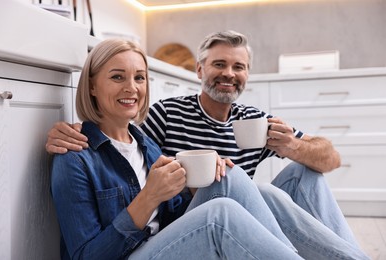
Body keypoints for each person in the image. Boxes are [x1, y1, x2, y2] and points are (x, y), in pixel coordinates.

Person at [48, 33, 369, 259]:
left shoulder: (145, 145)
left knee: (252, 180)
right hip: (145, 246)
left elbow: (330, 157)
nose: (132, 88)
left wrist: (292, 147)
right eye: (117, 77)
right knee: (221, 213)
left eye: (140, 78)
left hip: (174, 236)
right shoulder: (84, 152)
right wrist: (150, 196)